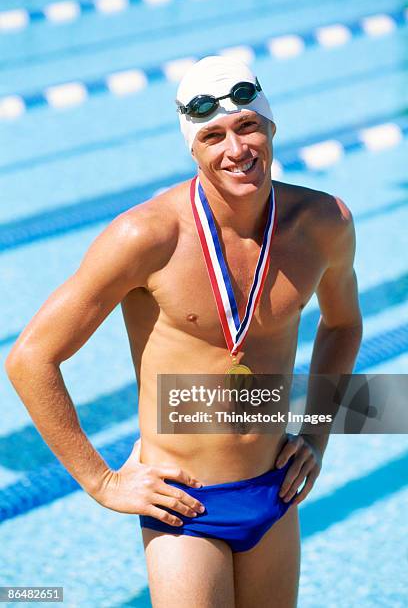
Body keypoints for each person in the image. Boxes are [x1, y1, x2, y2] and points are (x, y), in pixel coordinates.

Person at [5, 56, 362, 607]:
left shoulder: (323, 223)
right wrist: (102, 482)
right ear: (192, 149)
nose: (236, 150)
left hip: (274, 491)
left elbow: (343, 325)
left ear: (271, 127)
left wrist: (316, 433)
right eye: (213, 136)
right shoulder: (146, 236)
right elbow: (30, 359)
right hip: (185, 507)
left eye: (247, 126)